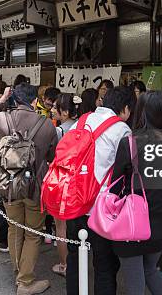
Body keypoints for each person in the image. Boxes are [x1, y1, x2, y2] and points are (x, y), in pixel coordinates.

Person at [0, 84, 58, 295]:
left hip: (9, 186)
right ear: (35, 101)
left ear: (13, 99)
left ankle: (19, 272)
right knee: (33, 234)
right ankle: (25, 282)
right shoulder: (47, 125)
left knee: (14, 228)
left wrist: (0, 101)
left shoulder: (3, 119)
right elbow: (52, 157)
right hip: (35, 188)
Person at [65, 86, 135, 295]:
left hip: (75, 200)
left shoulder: (82, 120)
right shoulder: (122, 130)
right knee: (105, 265)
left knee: (75, 257)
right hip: (101, 209)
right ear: (125, 108)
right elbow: (130, 168)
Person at [109, 91, 162, 295]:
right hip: (160, 223)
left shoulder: (129, 144)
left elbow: (115, 184)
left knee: (134, 281)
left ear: (140, 113)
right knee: (150, 270)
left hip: (131, 222)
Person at [48, 93, 81, 277]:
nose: (52, 110)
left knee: (60, 227)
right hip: (79, 182)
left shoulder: (60, 131)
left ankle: (64, 265)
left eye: (55, 108)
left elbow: (52, 156)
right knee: (76, 226)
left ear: (66, 112)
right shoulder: (83, 127)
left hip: (62, 181)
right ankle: (78, 261)